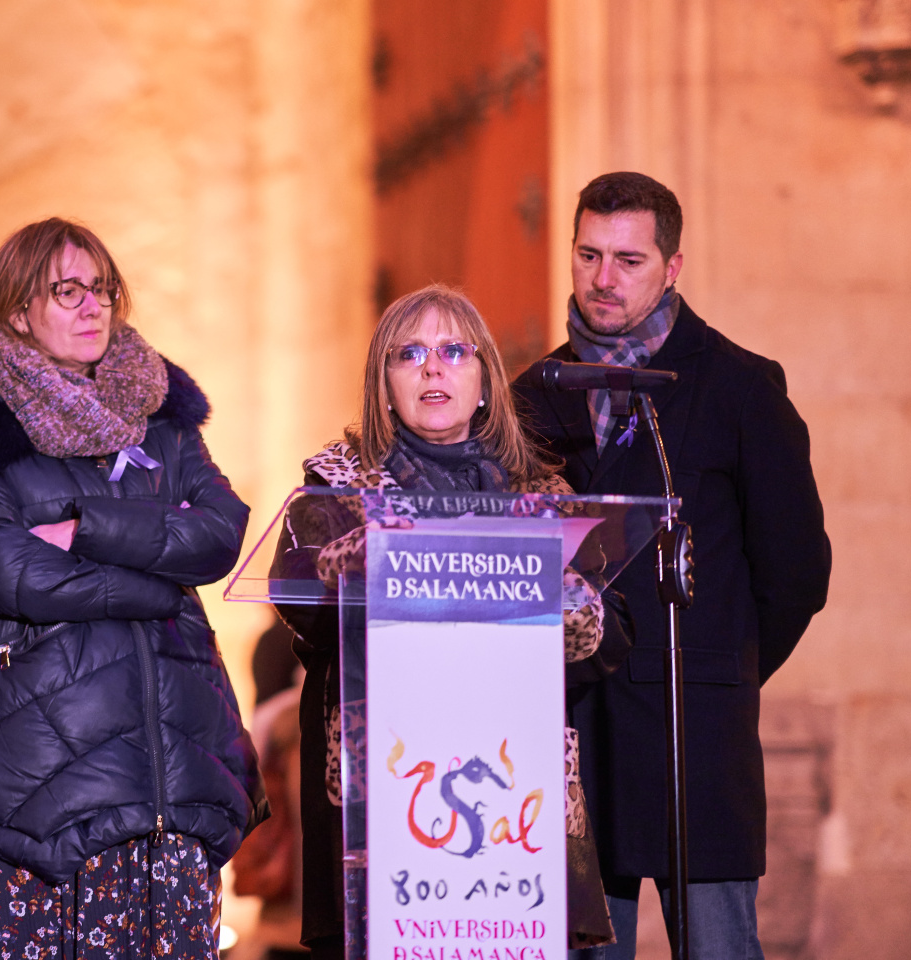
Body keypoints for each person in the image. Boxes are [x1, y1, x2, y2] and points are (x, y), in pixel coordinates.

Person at [0, 217, 267, 960]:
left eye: (102, 288)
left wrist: (88, 528)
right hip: (40, 774)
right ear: (17, 310)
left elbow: (220, 530)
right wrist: (157, 583)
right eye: (66, 290)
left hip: (172, 763)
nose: (92, 306)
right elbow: (7, 571)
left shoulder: (162, 414)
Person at [512, 172, 832, 960]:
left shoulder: (740, 388)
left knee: (720, 948)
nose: (603, 279)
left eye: (628, 259)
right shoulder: (527, 398)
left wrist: (725, 666)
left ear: (673, 266)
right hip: (575, 729)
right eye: (588, 255)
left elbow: (795, 571)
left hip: (699, 729)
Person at [272, 284, 631, 958]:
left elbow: (607, 639)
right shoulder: (331, 494)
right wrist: (385, 550)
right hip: (383, 808)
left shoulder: (544, 500)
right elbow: (304, 605)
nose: (432, 368)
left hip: (513, 810)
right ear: (384, 386)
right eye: (408, 354)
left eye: (452, 351)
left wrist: (562, 589)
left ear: (486, 381)